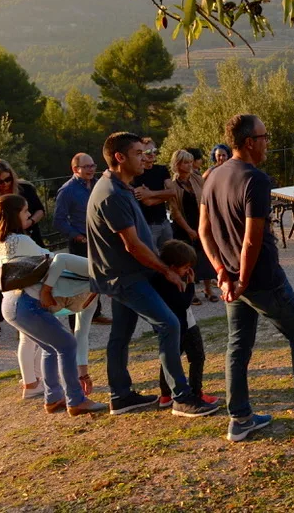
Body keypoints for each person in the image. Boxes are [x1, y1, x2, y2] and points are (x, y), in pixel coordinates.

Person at [199, 114, 294, 442]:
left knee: (238, 345)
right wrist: (240, 278)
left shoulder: (212, 177)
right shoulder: (255, 179)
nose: (268, 141)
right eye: (265, 136)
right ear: (250, 142)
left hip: (234, 280)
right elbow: (253, 239)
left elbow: (204, 231)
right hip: (261, 278)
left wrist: (223, 272)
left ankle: (239, 419)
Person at [87, 131, 218, 418]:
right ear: (119, 157)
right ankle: (181, 397)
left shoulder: (119, 187)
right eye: (137, 153)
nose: (145, 157)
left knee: (120, 335)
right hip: (127, 278)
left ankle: (121, 396)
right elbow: (132, 245)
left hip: (124, 276)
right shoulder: (111, 194)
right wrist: (166, 271)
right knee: (170, 324)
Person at [0, 194, 106, 416]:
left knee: (50, 348)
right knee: (68, 345)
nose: (29, 215)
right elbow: (53, 260)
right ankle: (76, 400)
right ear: (14, 215)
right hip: (27, 303)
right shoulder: (21, 240)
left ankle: (53, 398)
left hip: (11, 303)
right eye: (24, 211)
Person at [0, 159, 47, 349]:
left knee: (35, 280)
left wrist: (29, 222)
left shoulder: (24, 189)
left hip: (30, 239)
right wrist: (1, 231)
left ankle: (27, 323)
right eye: (1, 181)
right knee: (7, 285)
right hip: (5, 247)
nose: (6, 184)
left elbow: (40, 210)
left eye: (8, 179)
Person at [154, 240, 219, 409]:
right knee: (197, 357)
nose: (187, 271)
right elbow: (183, 303)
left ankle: (166, 395)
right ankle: (196, 392)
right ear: (173, 266)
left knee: (169, 358)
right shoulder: (171, 282)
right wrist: (190, 284)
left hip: (172, 326)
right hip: (185, 325)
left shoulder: (158, 279)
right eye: (185, 267)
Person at [53, 153, 111, 325]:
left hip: (98, 238)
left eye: (93, 165)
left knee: (97, 276)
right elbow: (59, 221)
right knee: (78, 283)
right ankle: (73, 322)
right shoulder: (67, 190)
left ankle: (95, 313)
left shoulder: (98, 184)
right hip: (81, 241)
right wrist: (76, 236)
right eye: (86, 167)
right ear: (75, 169)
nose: (91, 169)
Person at [167, 149, 219, 304]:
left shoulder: (197, 179)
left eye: (190, 162)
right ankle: (192, 291)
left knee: (206, 256)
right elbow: (174, 211)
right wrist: (188, 230)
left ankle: (208, 289)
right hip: (183, 226)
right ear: (177, 164)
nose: (189, 165)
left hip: (200, 222)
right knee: (187, 259)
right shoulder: (171, 184)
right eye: (185, 162)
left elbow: (207, 201)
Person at [133, 138, 176, 250]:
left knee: (170, 254)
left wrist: (150, 193)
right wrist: (165, 196)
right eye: (147, 152)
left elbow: (173, 192)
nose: (152, 154)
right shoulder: (137, 174)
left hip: (164, 222)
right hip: (148, 226)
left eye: (154, 151)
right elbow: (147, 202)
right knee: (153, 257)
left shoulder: (162, 169)